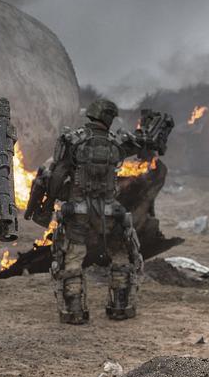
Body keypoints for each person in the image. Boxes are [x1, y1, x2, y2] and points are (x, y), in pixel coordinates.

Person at [46, 99, 151, 324]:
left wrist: (56, 197)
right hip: (110, 211)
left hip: (78, 211)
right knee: (121, 255)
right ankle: (120, 307)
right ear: (109, 118)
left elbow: (57, 174)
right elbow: (138, 148)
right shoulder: (115, 144)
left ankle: (75, 311)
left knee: (73, 257)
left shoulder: (74, 141)